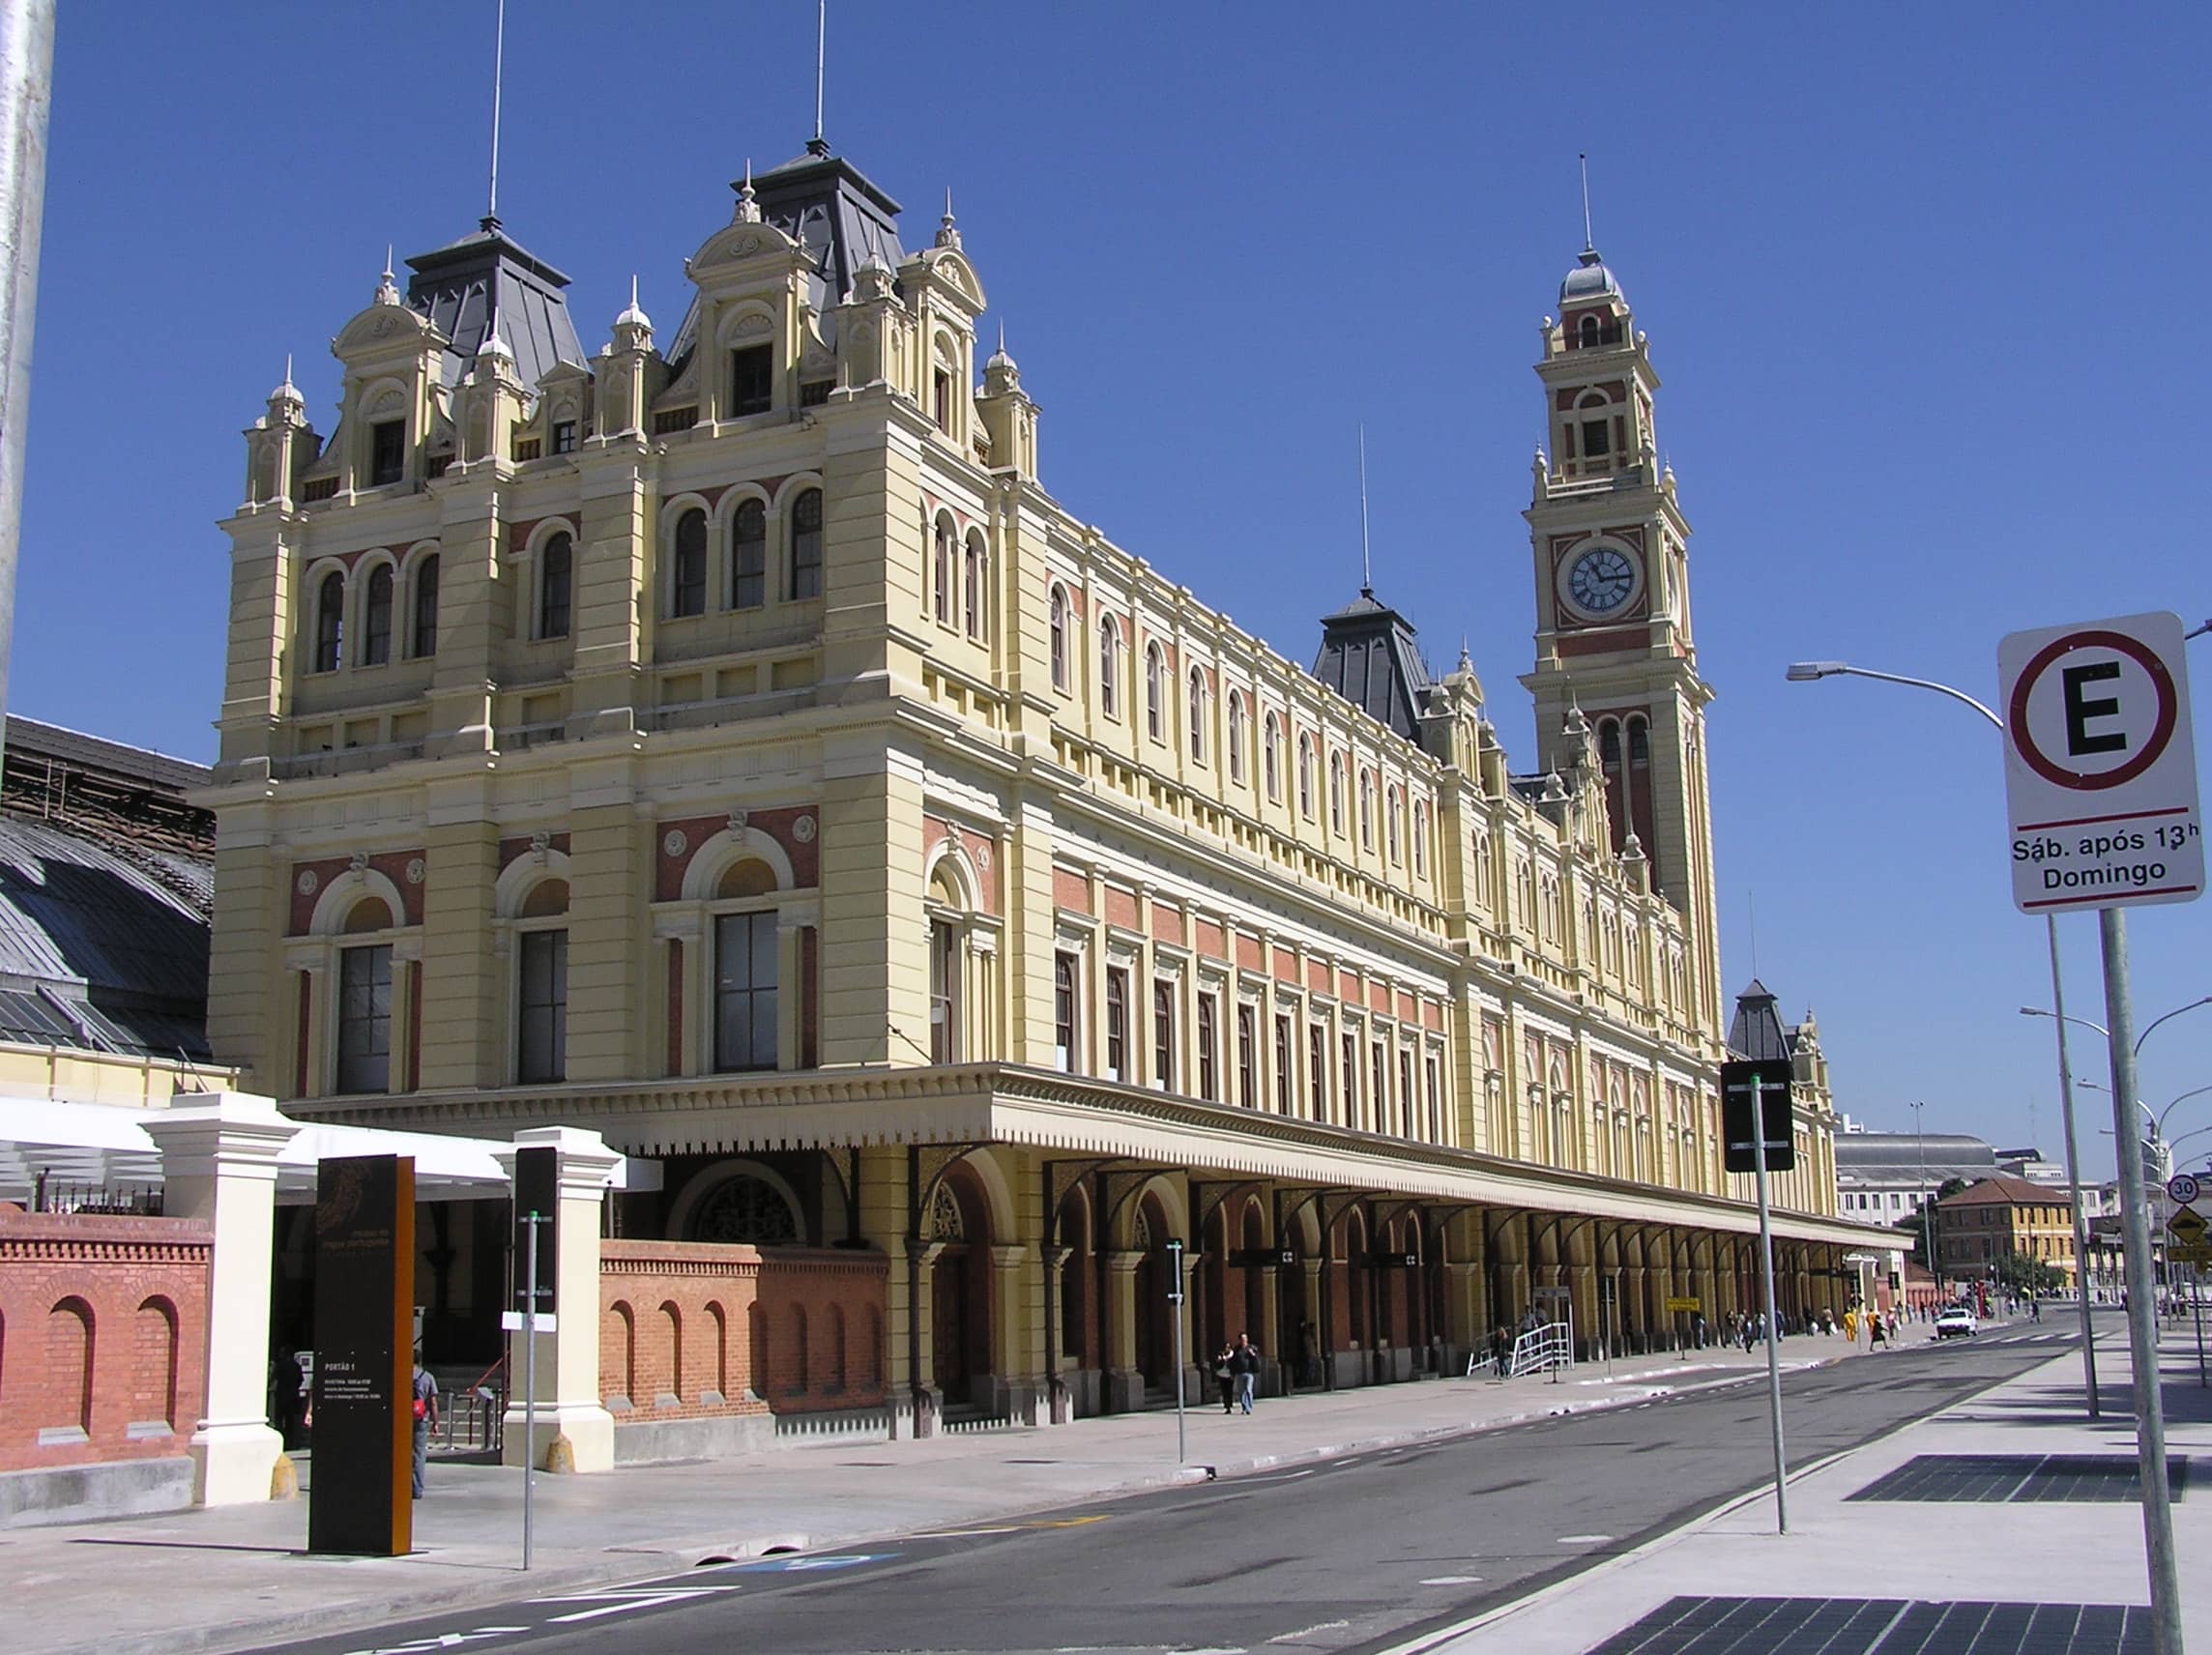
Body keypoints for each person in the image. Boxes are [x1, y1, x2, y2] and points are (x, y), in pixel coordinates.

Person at [411, 1353, 440, 1498]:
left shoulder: (401, 1373)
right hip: (421, 1418)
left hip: (403, 1418)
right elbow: (433, 1402)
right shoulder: (427, 1377)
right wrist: (435, 1422)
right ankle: (417, 1489)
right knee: (419, 1453)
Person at [1234, 1331, 1262, 1415]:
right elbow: (1233, 1361)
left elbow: (1257, 1359)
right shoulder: (1237, 1349)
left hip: (1249, 1373)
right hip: (1240, 1373)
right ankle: (1244, 1407)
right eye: (1242, 1338)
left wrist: (1253, 1354)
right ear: (1240, 1340)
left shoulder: (1251, 1348)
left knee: (1248, 1390)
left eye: (1245, 1338)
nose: (1244, 1340)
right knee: (1242, 1392)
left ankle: (1249, 1408)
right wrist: (1232, 1372)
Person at [1212, 1342, 1237, 1414]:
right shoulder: (1220, 1354)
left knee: (1230, 1390)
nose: (1227, 1348)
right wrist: (1219, 1360)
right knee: (1224, 1391)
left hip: (1229, 1375)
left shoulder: (1233, 1355)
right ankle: (1227, 1406)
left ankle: (1230, 1403)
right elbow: (1216, 1363)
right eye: (1226, 1347)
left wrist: (1234, 1373)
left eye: (1228, 1347)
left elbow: (1235, 1365)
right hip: (1221, 1374)